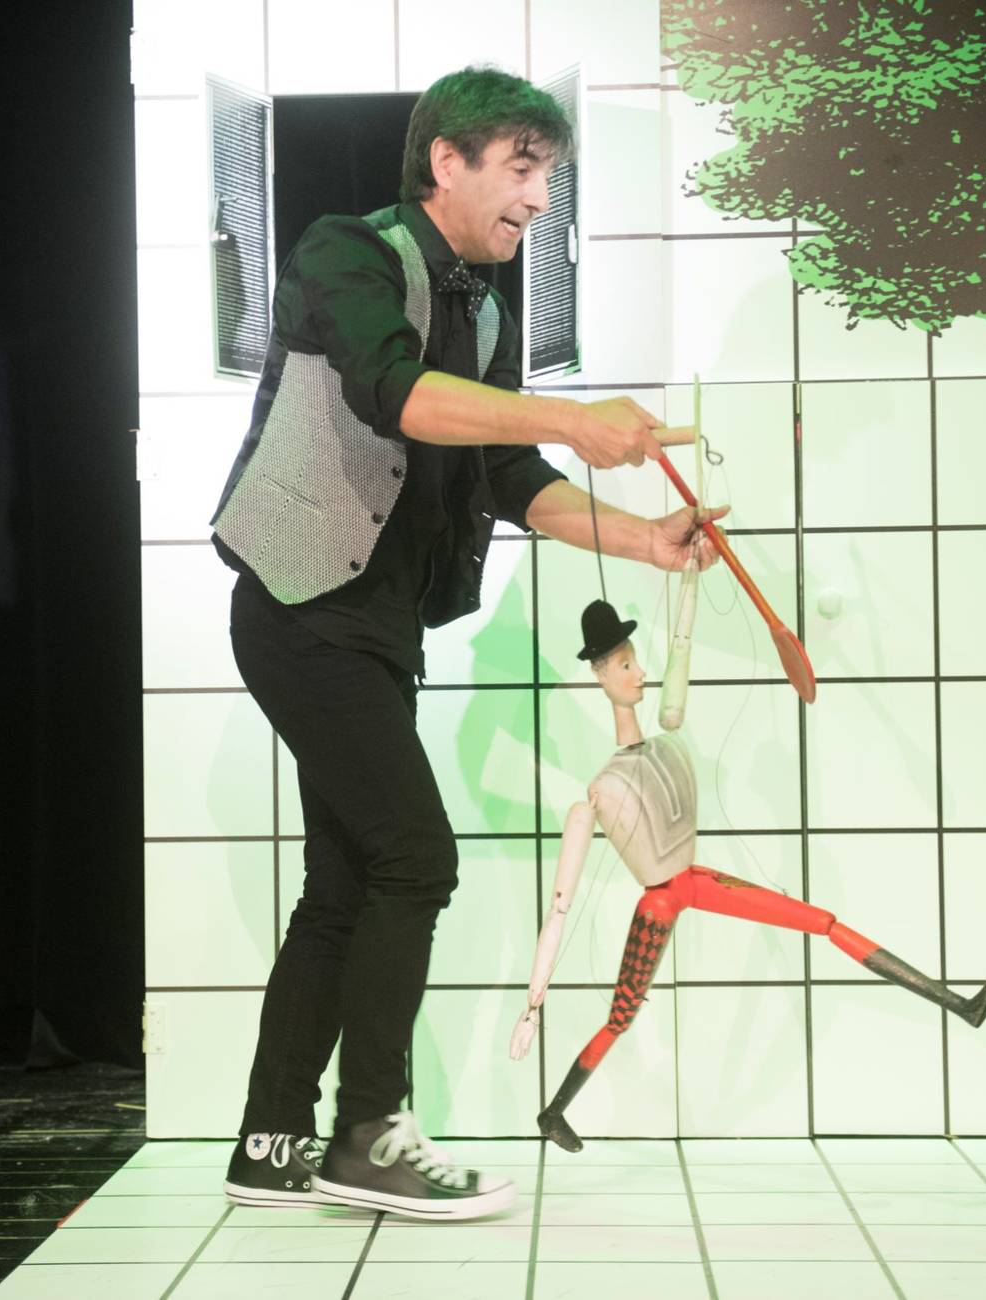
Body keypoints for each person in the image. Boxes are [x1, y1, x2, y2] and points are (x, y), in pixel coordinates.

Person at [210, 65, 718, 1221]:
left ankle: (270, 1139)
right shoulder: (346, 249)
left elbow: (506, 474)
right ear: (447, 160)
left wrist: (647, 538)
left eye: (549, 177)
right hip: (296, 607)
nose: (538, 198)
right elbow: (397, 393)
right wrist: (575, 417)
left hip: (376, 624)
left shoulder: (486, 311)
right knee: (415, 858)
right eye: (523, 170)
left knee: (347, 878)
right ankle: (368, 1135)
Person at [510, 583, 986, 1153]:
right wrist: (533, 1005)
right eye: (624, 665)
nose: (640, 672)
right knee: (621, 1018)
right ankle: (554, 1112)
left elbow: (681, 644)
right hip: (659, 903)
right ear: (599, 675)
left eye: (635, 659)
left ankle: (958, 1004)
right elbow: (560, 907)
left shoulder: (666, 744)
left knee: (822, 921)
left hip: (694, 881)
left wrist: (690, 574)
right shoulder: (598, 790)